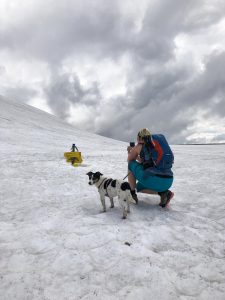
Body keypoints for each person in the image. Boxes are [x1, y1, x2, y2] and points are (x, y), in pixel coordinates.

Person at [127, 128, 174, 207]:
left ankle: (132, 194)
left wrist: (131, 152)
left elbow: (130, 160)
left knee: (130, 165)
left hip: (152, 180)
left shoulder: (139, 146)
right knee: (139, 187)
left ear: (139, 138)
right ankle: (164, 193)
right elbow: (147, 162)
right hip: (168, 181)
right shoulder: (155, 147)